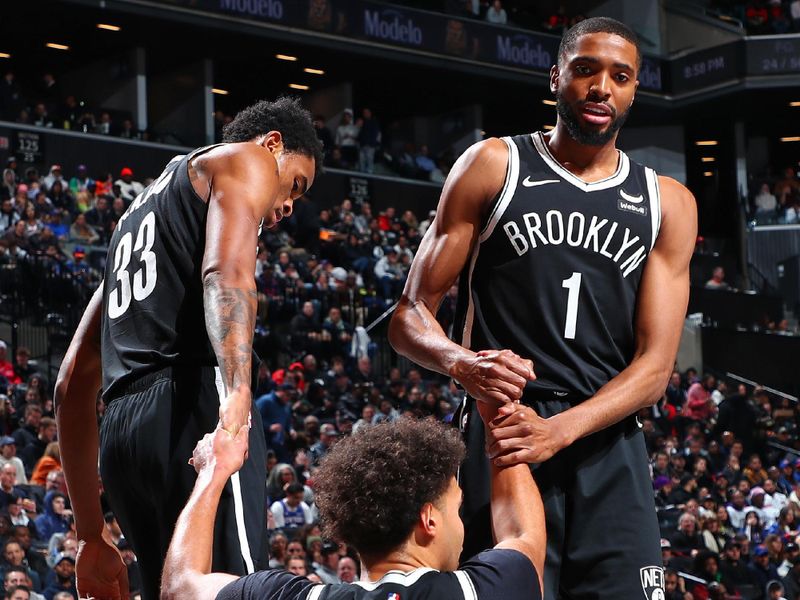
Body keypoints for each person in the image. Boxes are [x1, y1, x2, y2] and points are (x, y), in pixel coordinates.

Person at [389, 17, 696, 599]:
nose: (601, 86)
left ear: (633, 90)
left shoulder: (668, 203)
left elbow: (655, 368)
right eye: (585, 69)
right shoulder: (494, 166)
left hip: (607, 440)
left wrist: (558, 431)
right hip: (503, 433)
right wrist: (462, 365)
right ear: (556, 76)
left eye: (620, 76)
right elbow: (408, 316)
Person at [54, 96, 322, 600]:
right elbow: (225, 273)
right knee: (233, 589)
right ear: (272, 144)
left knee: (178, 589)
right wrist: (240, 386)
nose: (289, 205)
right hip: (192, 399)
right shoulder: (246, 158)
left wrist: (90, 535)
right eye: (296, 185)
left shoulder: (134, 225)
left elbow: (71, 381)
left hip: (122, 433)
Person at [160, 417, 545, 599]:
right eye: (455, 510)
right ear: (428, 520)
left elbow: (180, 588)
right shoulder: (482, 590)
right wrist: (499, 411)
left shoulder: (295, 597)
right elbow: (523, 536)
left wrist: (213, 472)